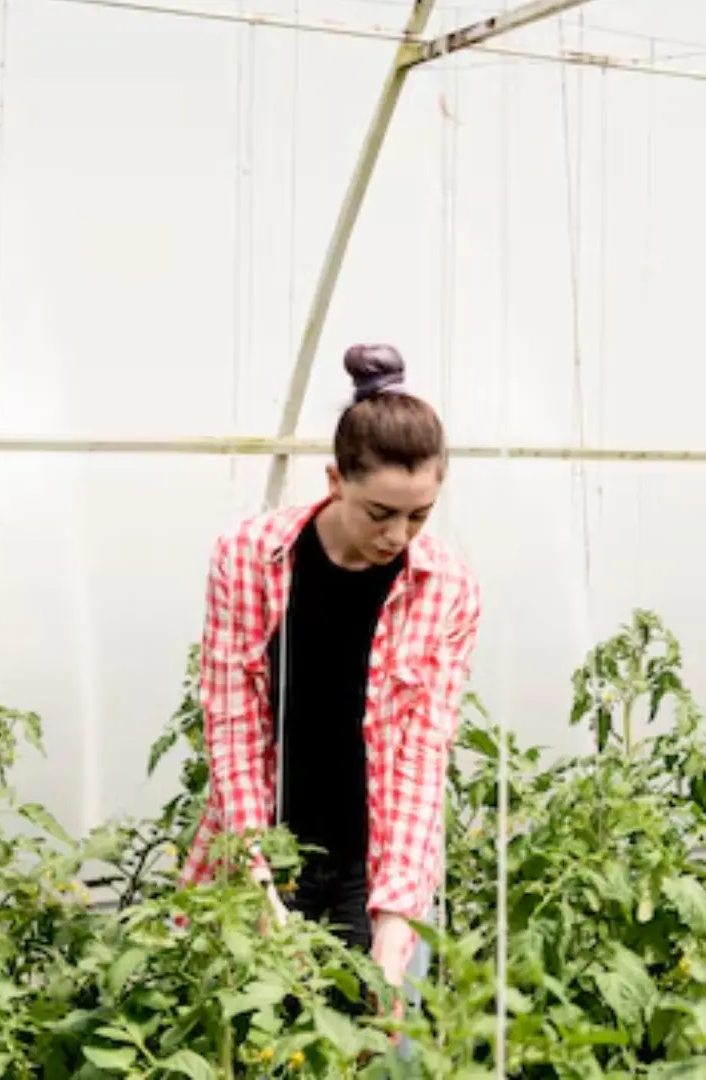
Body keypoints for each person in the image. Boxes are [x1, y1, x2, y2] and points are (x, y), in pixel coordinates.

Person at [179, 343, 482, 1004]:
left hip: (375, 858)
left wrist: (395, 918)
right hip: (269, 847)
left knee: (376, 1037)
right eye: (381, 512)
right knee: (253, 1032)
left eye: (420, 515)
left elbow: (420, 758)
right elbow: (235, 730)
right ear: (335, 480)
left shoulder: (447, 589)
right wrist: (258, 886)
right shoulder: (251, 560)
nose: (398, 534)